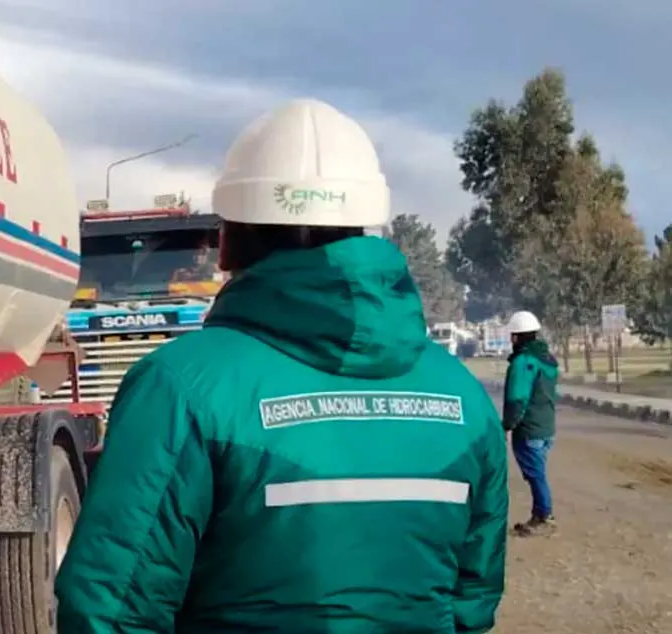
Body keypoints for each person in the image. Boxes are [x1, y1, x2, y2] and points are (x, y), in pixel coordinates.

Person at [55, 99, 509, 633]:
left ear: (226, 243)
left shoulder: (179, 389)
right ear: (365, 225)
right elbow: (472, 602)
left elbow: (112, 612)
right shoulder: (465, 399)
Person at [502, 310, 559, 537]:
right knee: (537, 473)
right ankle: (538, 515)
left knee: (536, 476)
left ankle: (545, 517)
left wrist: (507, 424)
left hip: (530, 429)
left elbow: (517, 398)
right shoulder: (547, 360)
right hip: (547, 427)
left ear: (517, 337)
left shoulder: (524, 362)